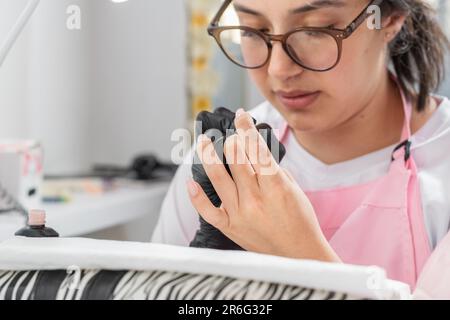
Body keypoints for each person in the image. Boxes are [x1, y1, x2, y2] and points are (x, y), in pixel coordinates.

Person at [152, 0, 450, 288]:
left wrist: (301, 258)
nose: (279, 69)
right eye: (252, 29)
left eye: (316, 29)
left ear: (391, 17)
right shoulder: (220, 158)